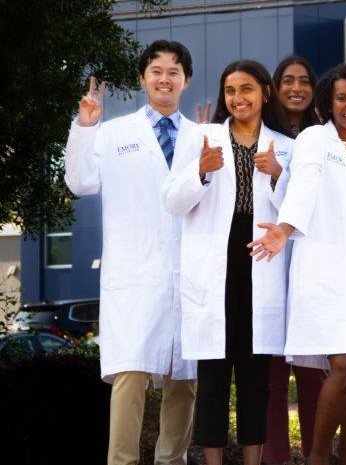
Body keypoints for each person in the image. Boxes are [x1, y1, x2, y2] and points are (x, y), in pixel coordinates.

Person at [247, 63, 346, 465]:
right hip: (329, 274)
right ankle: (317, 457)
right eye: (342, 98)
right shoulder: (316, 140)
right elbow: (306, 183)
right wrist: (284, 227)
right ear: (328, 103)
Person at [64, 40, 197, 465]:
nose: (165, 78)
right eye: (156, 70)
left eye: (174, 71)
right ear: (143, 78)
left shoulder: (200, 137)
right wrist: (85, 127)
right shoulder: (113, 133)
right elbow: (80, 182)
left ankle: (170, 460)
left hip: (187, 275)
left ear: (185, 81)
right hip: (135, 274)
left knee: (184, 381)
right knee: (131, 375)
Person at [163, 59, 293, 465]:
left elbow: (300, 212)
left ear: (264, 93)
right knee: (214, 375)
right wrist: (200, 172)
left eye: (247, 89)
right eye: (231, 90)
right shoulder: (202, 138)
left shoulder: (286, 145)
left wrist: (277, 174)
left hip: (261, 261)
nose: (238, 98)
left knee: (256, 376)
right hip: (214, 267)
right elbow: (172, 201)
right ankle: (214, 461)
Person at [262, 54, 325, 465]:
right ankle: (275, 459)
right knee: (269, 378)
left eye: (304, 79)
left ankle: (317, 456)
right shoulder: (260, 135)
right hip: (268, 268)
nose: (296, 87)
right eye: (287, 80)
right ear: (275, 88)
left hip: (313, 268)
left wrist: (280, 172)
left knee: (314, 375)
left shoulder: (327, 138)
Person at [273, 55, 320, 138]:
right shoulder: (262, 129)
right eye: (288, 81)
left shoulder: (326, 131)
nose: (296, 88)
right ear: (277, 87)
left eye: (304, 82)